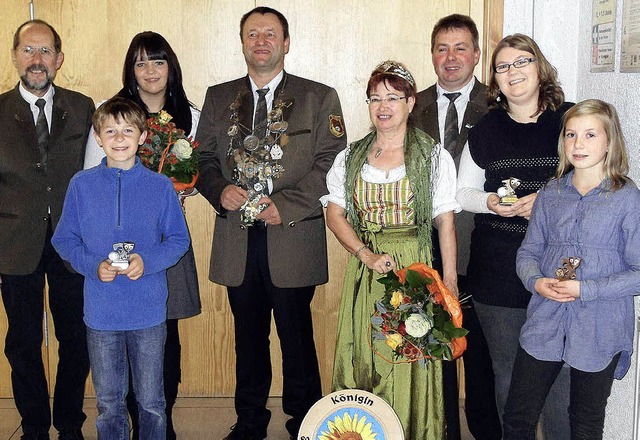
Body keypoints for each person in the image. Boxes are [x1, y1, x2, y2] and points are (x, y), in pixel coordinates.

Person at [195, 6, 346, 440]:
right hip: (236, 238)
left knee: (297, 337)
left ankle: (306, 421)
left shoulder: (319, 97)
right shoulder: (219, 97)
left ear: (285, 42)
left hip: (291, 233)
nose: (261, 41)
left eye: (270, 34)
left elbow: (331, 164)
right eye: (252, 34)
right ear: (242, 42)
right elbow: (202, 158)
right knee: (247, 338)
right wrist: (216, 189)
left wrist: (289, 204)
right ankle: (249, 421)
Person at [325, 60, 459, 440]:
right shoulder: (350, 157)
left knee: (409, 354)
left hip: (414, 268)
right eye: (375, 98)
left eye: (393, 97)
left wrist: (447, 283)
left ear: (411, 102)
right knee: (364, 354)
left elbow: (444, 221)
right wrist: (364, 254)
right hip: (367, 271)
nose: (383, 106)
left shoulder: (432, 157)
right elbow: (334, 213)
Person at [83, 31, 201, 440]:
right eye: (140, 62)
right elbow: (93, 178)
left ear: (171, 67)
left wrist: (179, 186)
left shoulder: (190, 115)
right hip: (113, 257)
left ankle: (159, 423)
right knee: (116, 362)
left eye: (158, 60)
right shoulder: (112, 114)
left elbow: (202, 175)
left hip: (164, 241)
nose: (150, 70)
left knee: (163, 340)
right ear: (130, 71)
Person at [52, 97, 190, 440]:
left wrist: (149, 260)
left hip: (147, 312)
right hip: (101, 314)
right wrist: (92, 265)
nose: (118, 138)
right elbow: (64, 240)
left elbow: (178, 240)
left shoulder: (160, 187)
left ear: (142, 136)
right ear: (97, 138)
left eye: (128, 130)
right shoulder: (80, 185)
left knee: (152, 402)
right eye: (109, 131)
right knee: (109, 403)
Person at [457, 33, 573, 438]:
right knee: (508, 371)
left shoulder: (570, 120)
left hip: (561, 265)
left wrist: (546, 197)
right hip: (498, 268)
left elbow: (597, 178)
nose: (513, 72)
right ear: (494, 80)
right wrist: (491, 201)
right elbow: (462, 192)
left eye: (521, 62)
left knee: (561, 368)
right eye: (502, 67)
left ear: (539, 67)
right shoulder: (486, 129)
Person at [503, 99, 640, 439]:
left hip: (600, 325)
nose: (578, 144)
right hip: (546, 320)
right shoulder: (551, 193)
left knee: (585, 423)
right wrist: (536, 282)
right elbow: (528, 252)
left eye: (590, 135)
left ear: (610, 141)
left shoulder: (627, 198)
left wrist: (586, 289)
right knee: (517, 417)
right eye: (571, 135)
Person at [0, 19, 94, 440]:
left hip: (71, 241)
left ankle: (70, 423)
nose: (36, 60)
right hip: (14, 243)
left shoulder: (83, 105)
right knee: (22, 343)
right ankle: (35, 426)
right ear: (15, 56)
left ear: (58, 59)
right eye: (28, 50)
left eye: (45, 52)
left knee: (75, 336)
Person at [410, 14, 500, 440]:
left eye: (461, 48)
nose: (451, 58)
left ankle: (485, 432)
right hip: (425, 253)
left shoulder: (500, 104)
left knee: (482, 359)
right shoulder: (411, 105)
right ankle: (441, 432)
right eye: (442, 48)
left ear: (477, 54)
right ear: (432, 55)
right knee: (434, 352)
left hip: (485, 252)